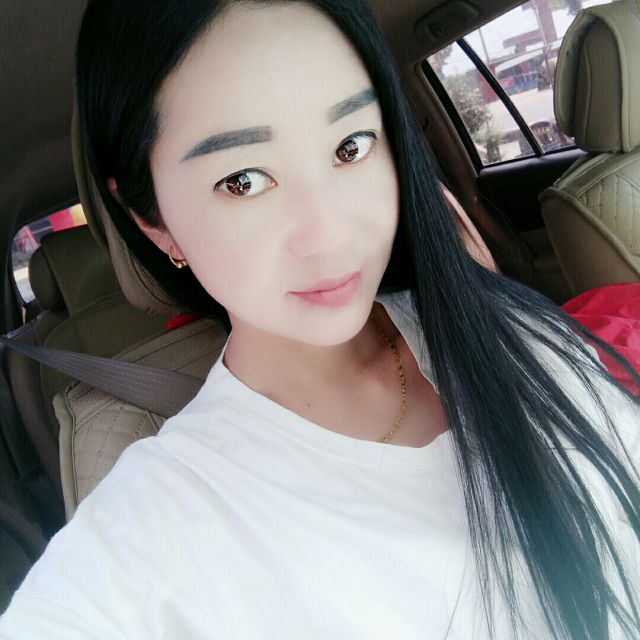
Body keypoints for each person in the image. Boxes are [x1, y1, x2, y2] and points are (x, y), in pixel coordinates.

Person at [1, 1, 639, 638]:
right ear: (153, 221)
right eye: (243, 180)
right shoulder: (152, 532)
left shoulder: (509, 326)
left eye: (351, 146)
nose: (329, 234)